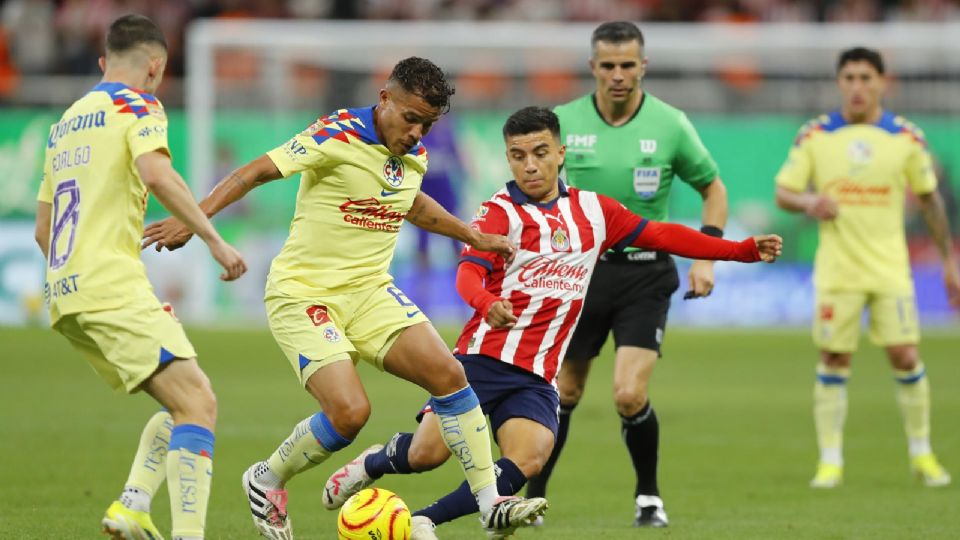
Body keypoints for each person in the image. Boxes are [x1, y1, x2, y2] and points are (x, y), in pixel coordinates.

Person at [320, 106, 782, 540]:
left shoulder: (596, 213)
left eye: (540, 153)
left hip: (539, 373)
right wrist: (485, 302)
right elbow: (467, 273)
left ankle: (423, 521)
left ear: (561, 154)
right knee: (426, 455)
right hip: (482, 360)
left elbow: (662, 235)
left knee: (530, 456)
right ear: (508, 158)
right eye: (518, 156)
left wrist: (739, 250)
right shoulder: (500, 211)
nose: (530, 166)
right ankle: (372, 464)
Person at [142, 57, 548, 539]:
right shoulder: (337, 133)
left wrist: (470, 235)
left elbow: (411, 201)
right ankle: (267, 479)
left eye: (428, 123)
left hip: (370, 291)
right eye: (410, 118)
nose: (417, 132)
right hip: (303, 293)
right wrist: (195, 220)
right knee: (350, 413)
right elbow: (255, 172)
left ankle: (490, 504)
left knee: (450, 374)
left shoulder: (413, 155)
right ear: (384, 99)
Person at [33, 14, 247, 540]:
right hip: (111, 283)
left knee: (187, 397)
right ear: (155, 67)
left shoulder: (65, 123)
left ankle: (132, 506)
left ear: (104, 62)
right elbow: (157, 173)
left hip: (67, 292)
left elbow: (43, 230)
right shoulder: (139, 103)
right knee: (198, 403)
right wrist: (214, 239)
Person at [524, 21, 731, 528]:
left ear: (644, 65)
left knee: (628, 394)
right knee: (565, 391)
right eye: (608, 65)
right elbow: (533, 190)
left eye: (627, 65)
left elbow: (713, 188)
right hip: (579, 275)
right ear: (593, 67)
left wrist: (706, 257)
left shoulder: (670, 124)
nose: (618, 75)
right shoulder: (562, 123)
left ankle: (649, 498)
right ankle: (532, 497)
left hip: (644, 275)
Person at [774, 46, 957, 489]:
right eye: (849, 78)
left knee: (906, 354)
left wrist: (949, 261)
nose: (857, 87)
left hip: (890, 268)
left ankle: (922, 454)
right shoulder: (814, 135)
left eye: (865, 78)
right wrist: (809, 200)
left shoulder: (906, 137)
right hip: (838, 270)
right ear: (840, 83)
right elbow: (784, 192)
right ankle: (831, 461)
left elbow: (930, 199)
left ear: (881, 82)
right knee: (834, 358)